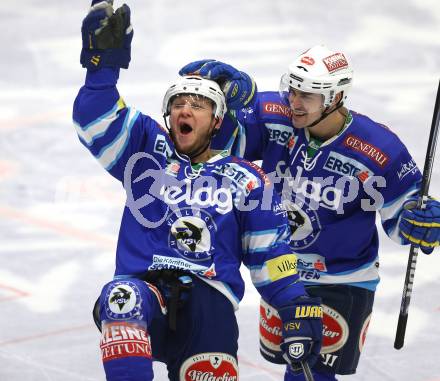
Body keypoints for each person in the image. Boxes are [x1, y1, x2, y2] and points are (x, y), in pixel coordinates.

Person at [74, 2, 324, 380]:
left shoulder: (249, 179)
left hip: (210, 303)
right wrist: (101, 69)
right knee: (119, 299)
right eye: (177, 103)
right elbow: (95, 119)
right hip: (146, 291)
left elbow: (270, 254)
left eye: (198, 104)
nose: (185, 110)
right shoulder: (145, 153)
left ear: (218, 120)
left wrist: (294, 304)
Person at [179, 46, 440, 381]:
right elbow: (220, 146)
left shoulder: (379, 148)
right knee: (296, 363)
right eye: (293, 89)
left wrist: (420, 221)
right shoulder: (278, 115)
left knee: (309, 371)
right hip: (282, 270)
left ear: (335, 97)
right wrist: (227, 103)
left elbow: (403, 214)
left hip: (343, 278)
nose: (295, 102)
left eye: (308, 95)